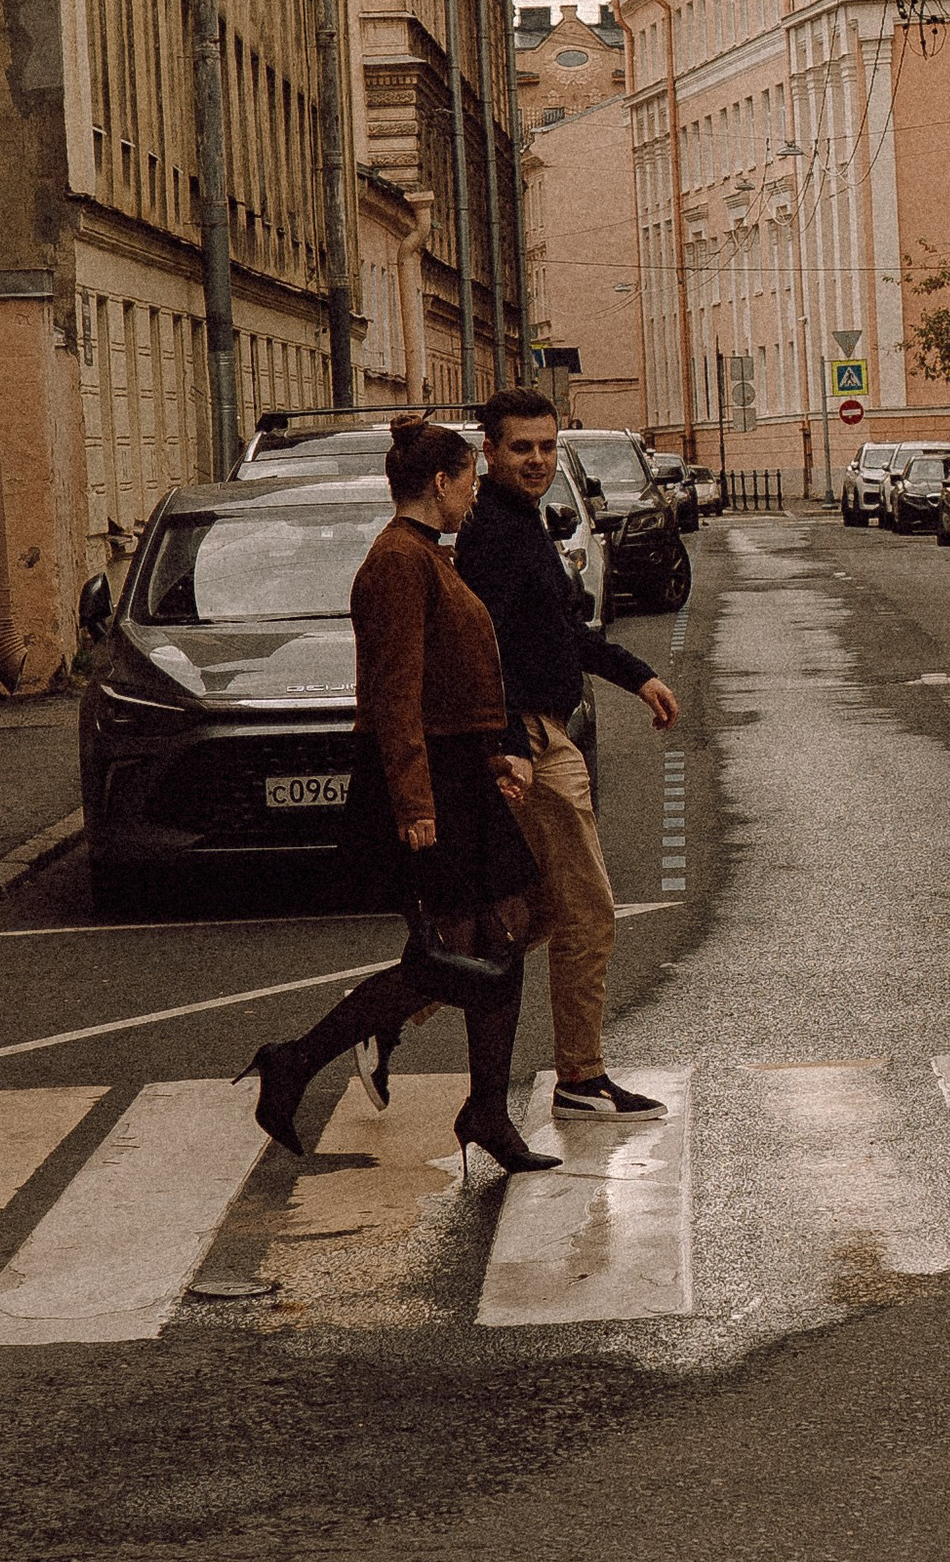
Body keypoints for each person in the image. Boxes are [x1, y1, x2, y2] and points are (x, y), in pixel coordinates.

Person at [238, 419, 559, 1181]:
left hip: (457, 774)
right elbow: (393, 695)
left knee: (497, 939)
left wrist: (489, 756)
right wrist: (416, 804)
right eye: (470, 480)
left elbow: (449, 679)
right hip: (426, 784)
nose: (475, 494)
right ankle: (299, 1059)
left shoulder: (423, 556)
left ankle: (482, 1109)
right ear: (440, 483)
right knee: (457, 956)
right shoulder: (395, 563)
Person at [455, 386, 679, 1117]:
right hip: (534, 740)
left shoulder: (522, 523)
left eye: (548, 447)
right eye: (521, 448)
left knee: (536, 913)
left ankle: (395, 1015)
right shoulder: (492, 534)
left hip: (547, 728)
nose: (537, 460)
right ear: (488, 453)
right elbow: (483, 654)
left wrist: (635, 675)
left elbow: (558, 633)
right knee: (589, 910)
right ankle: (580, 1078)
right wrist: (511, 744)